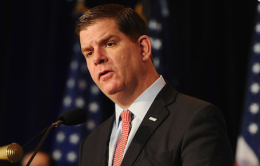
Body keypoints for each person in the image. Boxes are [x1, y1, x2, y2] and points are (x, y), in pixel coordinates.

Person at [76, 4, 233, 166]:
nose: (97, 59)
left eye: (109, 44)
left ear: (143, 48)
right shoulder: (90, 144)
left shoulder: (195, 119)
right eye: (89, 52)